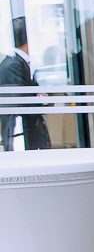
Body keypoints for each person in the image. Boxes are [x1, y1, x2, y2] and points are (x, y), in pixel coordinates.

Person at [1, 16, 52, 151]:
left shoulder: (22, 63)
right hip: (21, 136)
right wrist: (40, 97)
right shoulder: (12, 65)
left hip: (28, 135)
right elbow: (21, 102)